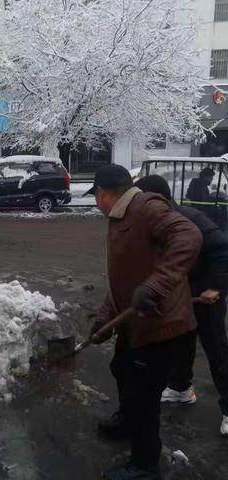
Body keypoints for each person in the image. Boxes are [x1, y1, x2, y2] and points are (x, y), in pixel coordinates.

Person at [86, 165, 202, 480]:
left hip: (160, 324)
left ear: (103, 194)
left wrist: (156, 285)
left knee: (143, 395)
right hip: (135, 323)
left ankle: (145, 465)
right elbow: (124, 279)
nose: (97, 204)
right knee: (121, 370)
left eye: (96, 197)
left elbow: (189, 235)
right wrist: (104, 318)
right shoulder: (122, 217)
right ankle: (127, 423)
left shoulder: (146, 206)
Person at [136, 175, 228, 436]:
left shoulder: (190, 219)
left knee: (216, 349)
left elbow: (223, 250)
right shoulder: (154, 223)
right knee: (182, 340)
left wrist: (217, 287)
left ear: (158, 200)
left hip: (207, 293)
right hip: (183, 293)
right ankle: (180, 388)